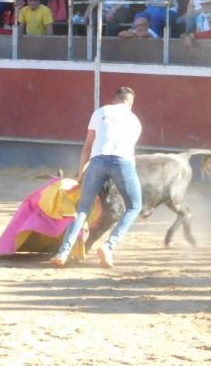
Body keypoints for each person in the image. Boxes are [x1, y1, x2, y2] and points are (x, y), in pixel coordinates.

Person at [50, 87, 142, 268]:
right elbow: (125, 149)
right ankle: (109, 246)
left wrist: (81, 173)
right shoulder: (135, 121)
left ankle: (63, 252)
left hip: (97, 162)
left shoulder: (100, 112)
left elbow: (88, 146)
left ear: (114, 100)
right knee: (134, 206)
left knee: (82, 208)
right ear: (130, 104)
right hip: (122, 163)